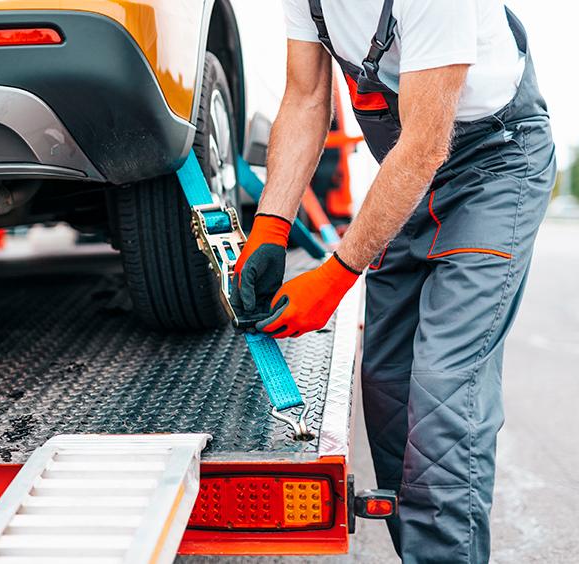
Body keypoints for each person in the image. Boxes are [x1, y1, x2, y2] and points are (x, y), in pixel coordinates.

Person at [230, 1, 556, 562]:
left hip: (493, 167)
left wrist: (334, 278)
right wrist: (270, 226)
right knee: (390, 394)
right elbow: (306, 98)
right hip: (407, 174)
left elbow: (428, 142)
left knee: (442, 400)